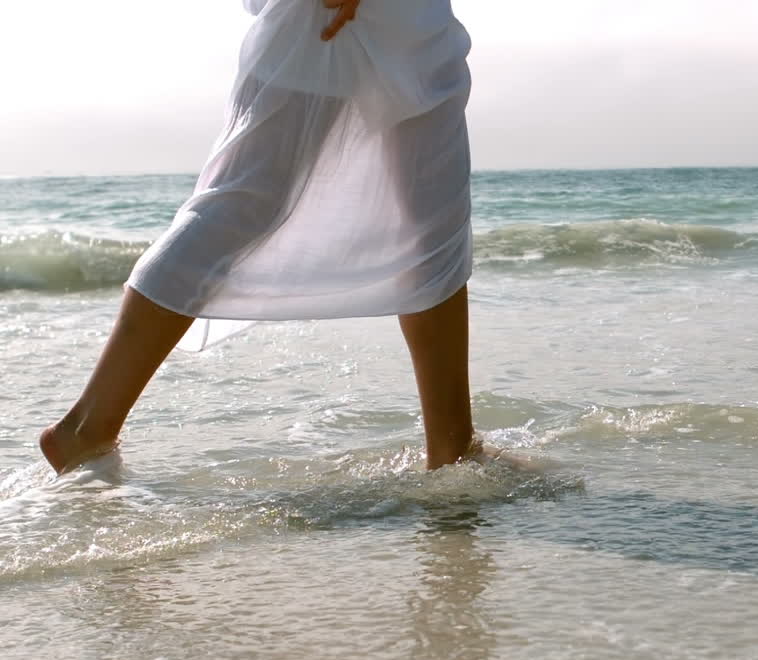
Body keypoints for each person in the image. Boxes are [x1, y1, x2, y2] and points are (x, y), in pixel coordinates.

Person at [41, 0, 480, 473]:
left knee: (434, 224)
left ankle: (452, 446)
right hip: (327, 18)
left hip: (414, 20)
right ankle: (86, 428)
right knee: (245, 202)